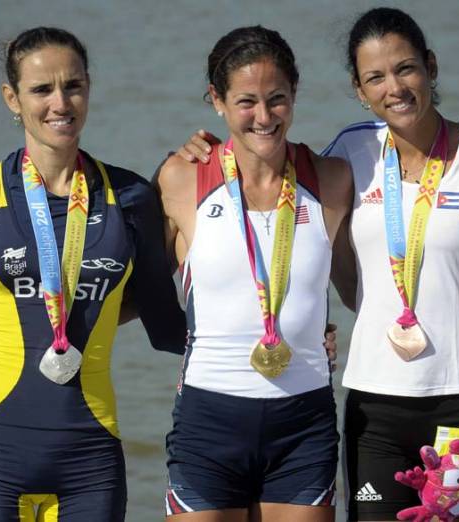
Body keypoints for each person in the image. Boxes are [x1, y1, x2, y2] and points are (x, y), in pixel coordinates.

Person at [178, 8, 459, 521]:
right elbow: (288, 207)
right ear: (359, 88)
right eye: (376, 77)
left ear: (431, 67)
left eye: (406, 68)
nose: (395, 87)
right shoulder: (351, 152)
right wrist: (210, 151)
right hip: (373, 407)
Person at [0, 27, 187, 522]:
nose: (60, 103)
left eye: (73, 86)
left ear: (88, 88)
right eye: (41, 90)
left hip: (90, 462)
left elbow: (168, 330)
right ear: (12, 99)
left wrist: (291, 332)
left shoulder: (133, 198)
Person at [155, 26, 353, 521]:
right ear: (216, 101)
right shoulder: (181, 178)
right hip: (208, 422)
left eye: (277, 99)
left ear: (294, 96)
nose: (263, 117)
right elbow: (135, 288)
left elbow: (373, 285)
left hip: (302, 425)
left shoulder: (331, 179)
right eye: (246, 101)